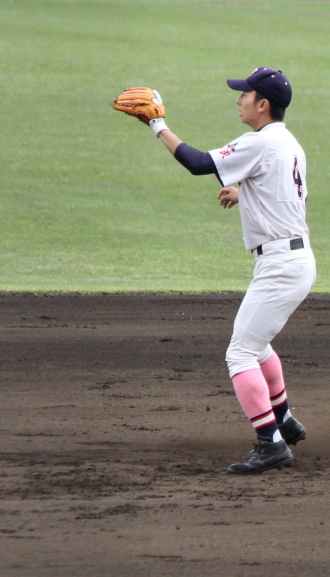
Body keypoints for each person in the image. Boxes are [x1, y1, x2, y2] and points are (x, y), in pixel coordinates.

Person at [112, 67, 317, 473]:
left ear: (263, 104)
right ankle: (284, 420)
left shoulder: (258, 142)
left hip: (281, 265)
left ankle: (271, 443)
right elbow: (284, 193)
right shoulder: (288, 143)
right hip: (294, 260)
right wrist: (245, 192)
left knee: (240, 353)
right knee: (256, 344)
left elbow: (197, 162)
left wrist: (157, 125)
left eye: (245, 94)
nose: (238, 99)